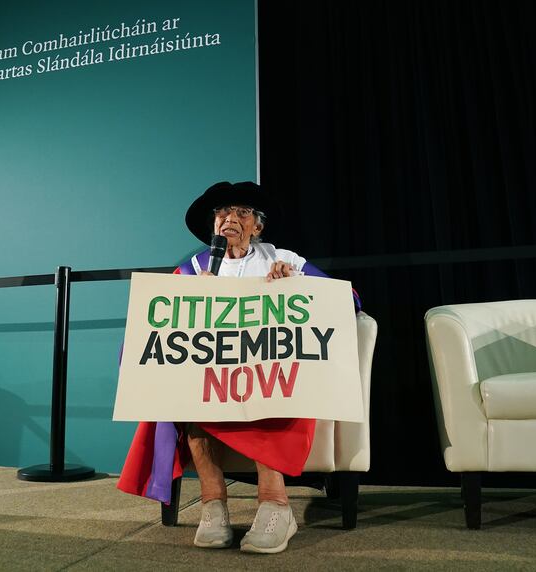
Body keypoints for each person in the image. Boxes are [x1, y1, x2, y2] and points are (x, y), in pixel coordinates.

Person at [117, 181, 360, 554]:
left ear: (257, 226)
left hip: (270, 378)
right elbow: (156, 329)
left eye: (242, 212)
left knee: (273, 393)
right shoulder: (193, 270)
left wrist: (296, 285)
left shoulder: (284, 259)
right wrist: (191, 295)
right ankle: (213, 505)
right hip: (212, 380)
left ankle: (275, 505)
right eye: (222, 213)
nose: (230, 218)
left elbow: (349, 300)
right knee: (187, 400)